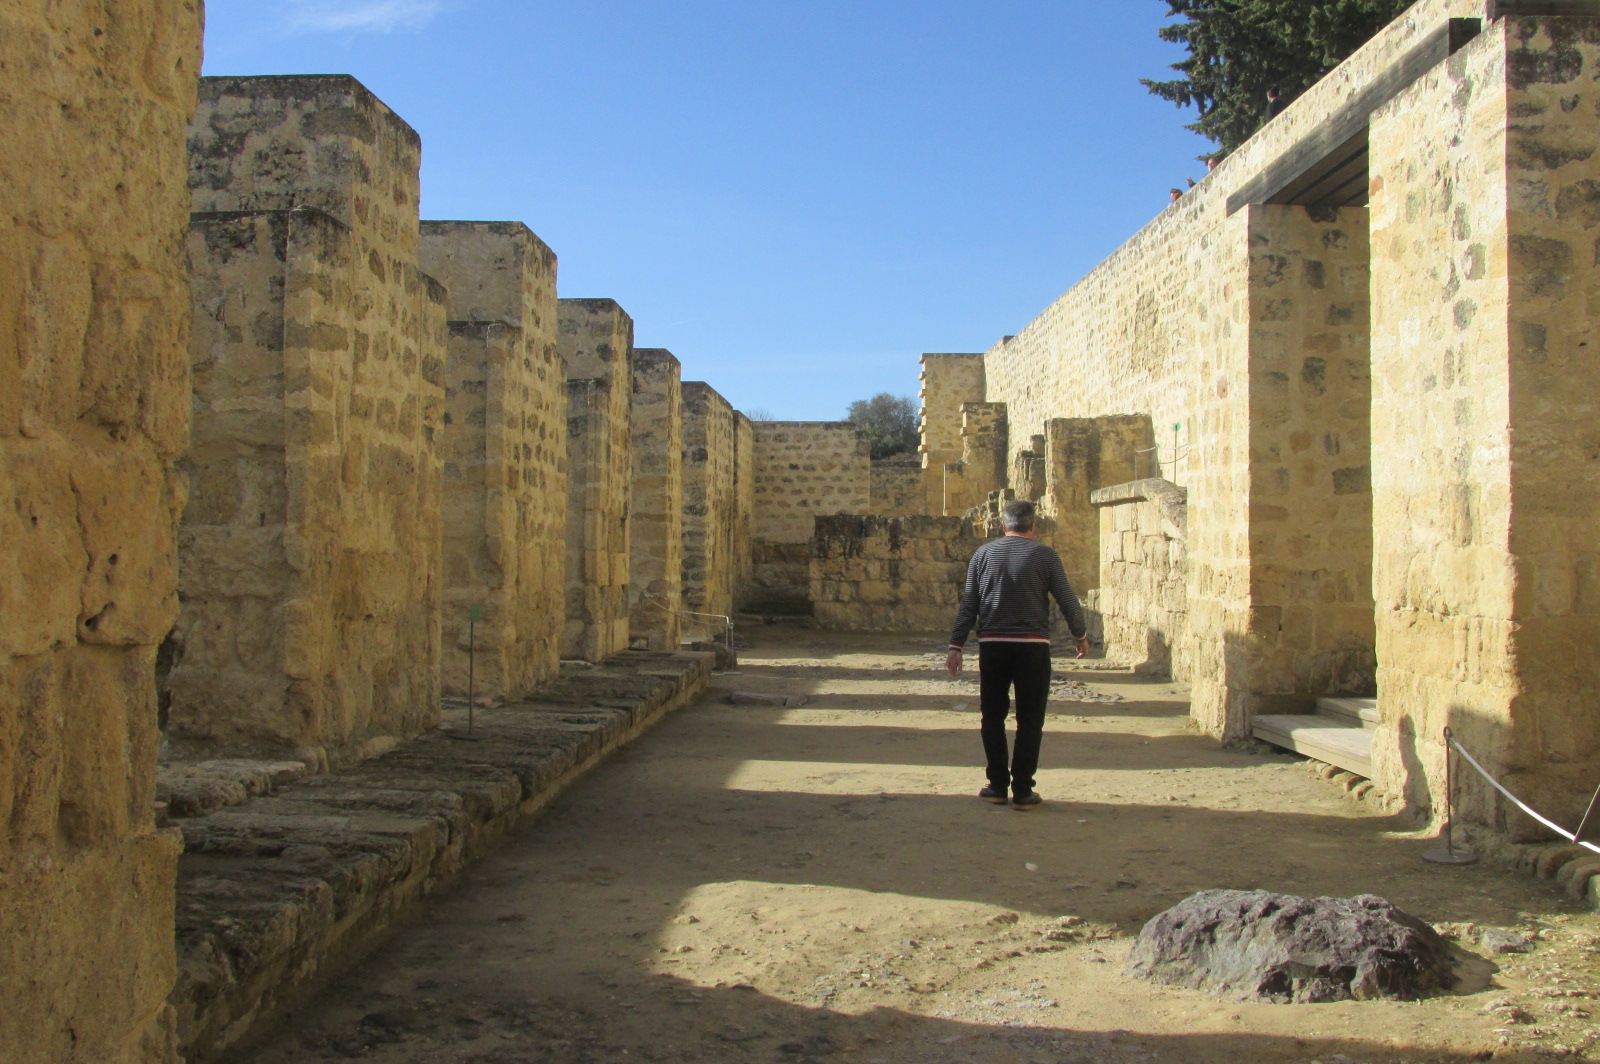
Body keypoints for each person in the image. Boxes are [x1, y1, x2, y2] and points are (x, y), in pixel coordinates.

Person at [946, 499, 1088, 811]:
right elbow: (1067, 599)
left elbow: (969, 603)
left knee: (992, 716)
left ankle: (997, 785)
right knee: (1031, 718)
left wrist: (956, 645)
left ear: (1003, 525)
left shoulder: (983, 555)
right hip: (1032, 646)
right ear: (1033, 525)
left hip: (993, 645)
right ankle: (1023, 790)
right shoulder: (1046, 556)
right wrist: (1080, 634)